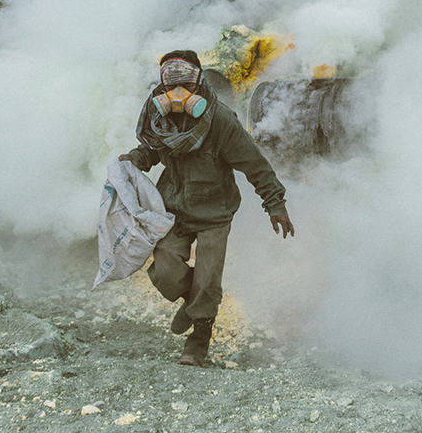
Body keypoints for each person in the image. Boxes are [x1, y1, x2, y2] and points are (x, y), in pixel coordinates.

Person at [120, 49, 295, 366]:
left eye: (185, 84)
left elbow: (255, 166)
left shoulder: (221, 122)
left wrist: (275, 204)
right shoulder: (158, 118)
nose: (177, 94)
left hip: (215, 211)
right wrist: (136, 159)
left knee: (207, 278)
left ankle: (198, 340)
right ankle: (193, 302)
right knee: (165, 272)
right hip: (173, 208)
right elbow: (153, 149)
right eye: (170, 86)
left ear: (198, 84)